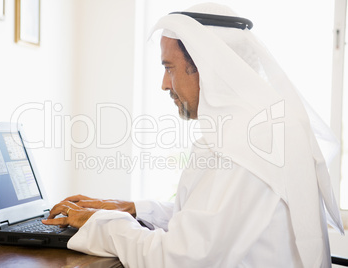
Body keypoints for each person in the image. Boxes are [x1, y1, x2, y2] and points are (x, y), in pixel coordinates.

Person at [43, 3, 344, 267]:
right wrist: (133, 209)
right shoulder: (257, 128)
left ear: (206, 68)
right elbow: (211, 218)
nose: (164, 84)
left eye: (169, 68)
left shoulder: (247, 145)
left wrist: (100, 223)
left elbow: (180, 259)